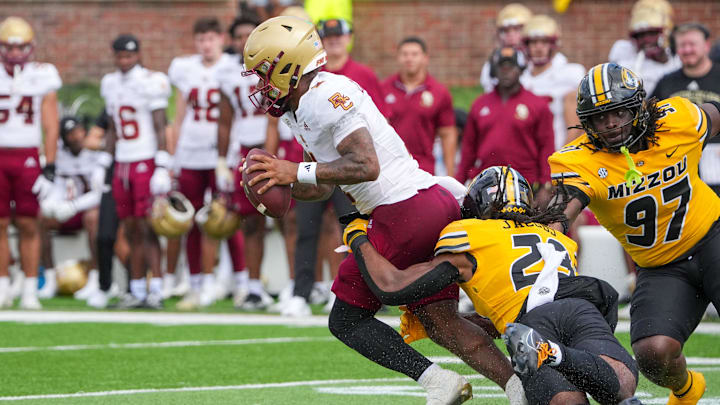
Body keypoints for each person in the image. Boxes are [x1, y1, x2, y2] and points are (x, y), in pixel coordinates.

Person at [241, 16, 524, 404]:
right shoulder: (300, 105)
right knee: (442, 323)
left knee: (346, 320)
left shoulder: (323, 94)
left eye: (263, 74)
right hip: (419, 205)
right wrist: (281, 184)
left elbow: (365, 165)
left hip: (403, 208)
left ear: (288, 65)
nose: (260, 85)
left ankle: (437, 382)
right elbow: (324, 186)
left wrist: (294, 169)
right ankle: (520, 387)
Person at [342, 166, 641, 405]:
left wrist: (356, 236)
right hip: (581, 309)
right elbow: (515, 305)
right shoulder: (555, 235)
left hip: (532, 325)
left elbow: (392, 287)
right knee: (623, 383)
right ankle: (556, 353)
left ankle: (548, 352)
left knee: (565, 400)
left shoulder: (470, 232)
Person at [548, 62, 720, 404]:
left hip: (713, 237)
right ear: (586, 122)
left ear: (638, 106)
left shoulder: (677, 119)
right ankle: (686, 391)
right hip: (660, 267)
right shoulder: (579, 160)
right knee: (653, 353)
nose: (610, 123)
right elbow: (561, 209)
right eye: (599, 117)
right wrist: (552, 228)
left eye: (619, 112)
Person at [98, 34, 171, 308]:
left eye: (129, 56)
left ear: (138, 55)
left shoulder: (151, 81)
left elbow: (160, 125)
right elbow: (113, 129)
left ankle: (157, 288)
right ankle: (137, 288)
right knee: (129, 229)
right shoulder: (109, 83)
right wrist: (104, 163)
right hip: (122, 163)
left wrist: (162, 165)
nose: (124, 61)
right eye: (120, 56)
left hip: (144, 160)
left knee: (148, 227)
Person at [168, 17, 236, 310]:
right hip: (192, 152)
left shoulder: (233, 68)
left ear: (221, 38)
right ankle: (195, 284)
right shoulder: (185, 69)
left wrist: (231, 157)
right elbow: (179, 115)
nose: (206, 45)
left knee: (227, 218)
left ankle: (238, 282)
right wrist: (172, 157)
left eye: (210, 38)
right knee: (193, 219)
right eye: (200, 39)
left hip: (222, 154)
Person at [0, 16, 61, 309]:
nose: (14, 54)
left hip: (26, 156)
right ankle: (1, 286)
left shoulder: (43, 74)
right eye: (8, 48)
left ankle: (28, 288)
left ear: (31, 47)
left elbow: (51, 125)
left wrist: (49, 166)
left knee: (28, 223)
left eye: (20, 47)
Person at [215, 16, 273, 309]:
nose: (243, 41)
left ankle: (297, 286)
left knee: (292, 222)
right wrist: (220, 161)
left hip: (275, 146)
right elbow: (224, 122)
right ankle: (250, 285)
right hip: (244, 150)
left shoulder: (276, 65)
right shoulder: (227, 73)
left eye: (249, 35)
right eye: (238, 36)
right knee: (249, 221)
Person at [456, 46, 554, 208]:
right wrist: (458, 183)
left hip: (526, 184)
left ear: (521, 70)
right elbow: (468, 150)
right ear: (494, 71)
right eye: (502, 67)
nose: (506, 72)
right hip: (487, 185)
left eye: (511, 67)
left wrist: (546, 185)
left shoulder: (538, 105)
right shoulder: (480, 104)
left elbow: (546, 147)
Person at [651, 23, 720, 195]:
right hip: (680, 171)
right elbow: (650, 121)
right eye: (682, 45)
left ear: (706, 46)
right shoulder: (666, 82)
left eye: (692, 44)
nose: (687, 50)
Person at [37, 117, 102, 299]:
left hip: (85, 208)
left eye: (78, 131)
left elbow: (98, 193)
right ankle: (49, 278)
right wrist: (53, 203)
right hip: (65, 210)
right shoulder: (57, 155)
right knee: (40, 218)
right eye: (70, 134)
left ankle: (96, 278)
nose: (75, 137)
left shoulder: (95, 154)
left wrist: (74, 206)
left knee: (93, 218)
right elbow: (57, 184)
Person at [383, 36, 457, 176]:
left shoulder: (439, 92)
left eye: (414, 54)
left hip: (424, 168)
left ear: (425, 58)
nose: (409, 59)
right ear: (398, 57)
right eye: (405, 54)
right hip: (389, 167)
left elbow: (447, 134)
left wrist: (450, 173)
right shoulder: (383, 89)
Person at [520, 15, 585, 147]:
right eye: (533, 42)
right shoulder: (521, 79)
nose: (538, 48)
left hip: (558, 151)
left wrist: (561, 157)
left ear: (553, 45)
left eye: (544, 42)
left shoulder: (569, 74)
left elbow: (579, 127)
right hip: (527, 154)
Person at [609, 0, 679, 96]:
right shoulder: (624, 50)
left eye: (652, 33)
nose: (646, 40)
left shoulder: (677, 54)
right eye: (640, 35)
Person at [480, 3, 532, 92]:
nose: (510, 35)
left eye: (516, 29)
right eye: (506, 31)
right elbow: (487, 84)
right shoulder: (495, 58)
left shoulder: (533, 57)